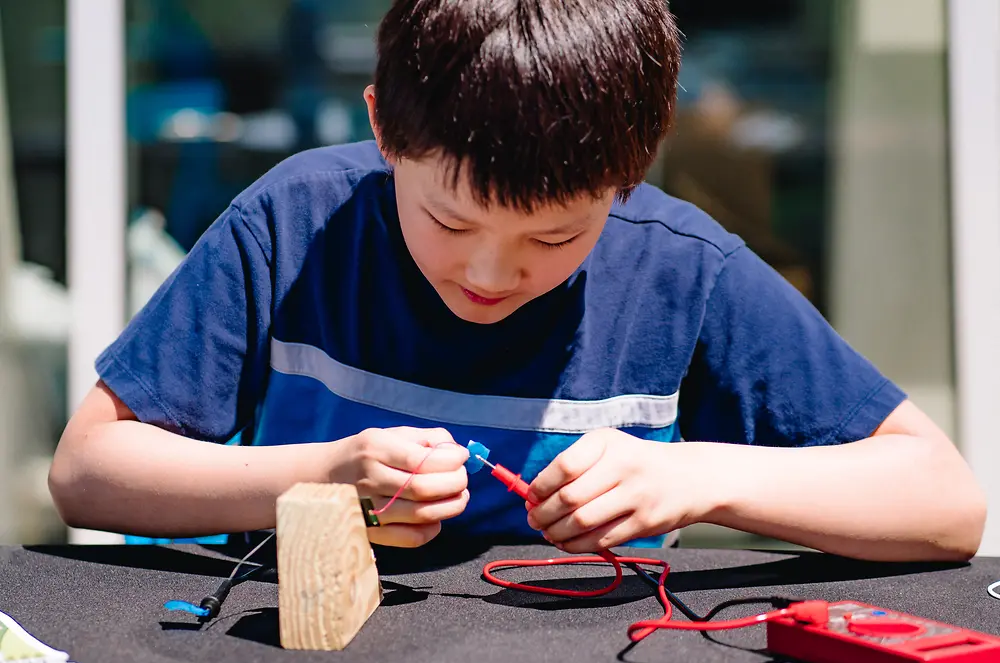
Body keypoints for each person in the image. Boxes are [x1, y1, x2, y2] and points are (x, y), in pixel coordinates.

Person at [49, 0, 985, 561]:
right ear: (382, 128)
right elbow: (87, 472)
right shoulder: (296, 222)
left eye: (557, 234)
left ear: (633, 171)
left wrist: (698, 475)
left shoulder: (679, 268)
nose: (491, 271)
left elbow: (944, 502)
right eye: (449, 221)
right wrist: (318, 475)